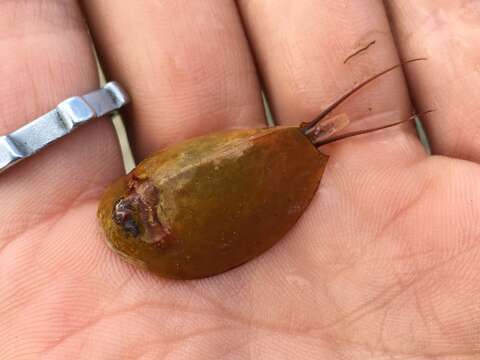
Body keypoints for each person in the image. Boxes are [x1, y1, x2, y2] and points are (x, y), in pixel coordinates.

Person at [1, 1, 479, 358]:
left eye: (132, 200)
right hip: (246, 183)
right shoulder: (142, 233)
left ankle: (309, 139)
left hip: (253, 166)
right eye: (135, 209)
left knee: (302, 141)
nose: (129, 209)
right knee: (305, 140)